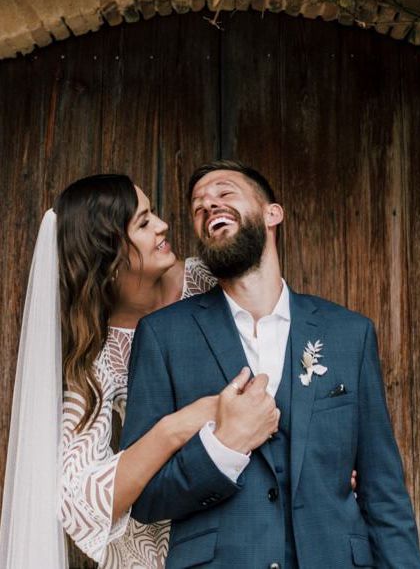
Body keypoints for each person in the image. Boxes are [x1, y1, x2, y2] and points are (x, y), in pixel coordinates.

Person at [121, 161, 420, 568]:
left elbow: (383, 490)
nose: (208, 204)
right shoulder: (163, 336)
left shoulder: (349, 333)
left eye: (224, 193)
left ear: (272, 213)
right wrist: (223, 449)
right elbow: (145, 498)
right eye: (197, 206)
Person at [0, 174, 263, 568]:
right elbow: (75, 496)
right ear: (108, 258)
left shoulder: (209, 280)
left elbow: (280, 346)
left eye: (152, 213)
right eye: (143, 223)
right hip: (173, 538)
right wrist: (176, 426)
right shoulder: (96, 362)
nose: (162, 225)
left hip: (258, 516)